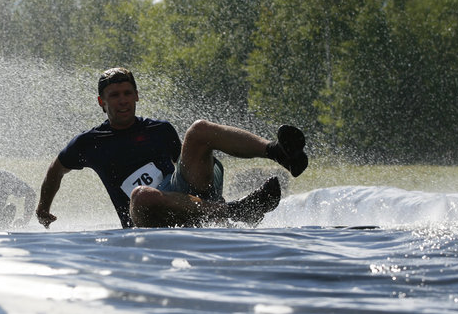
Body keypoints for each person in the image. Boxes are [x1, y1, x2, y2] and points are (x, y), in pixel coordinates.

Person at [36, 67, 308, 229]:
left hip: (190, 198)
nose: (122, 101)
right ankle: (238, 212)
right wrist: (42, 209)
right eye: (114, 96)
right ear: (101, 102)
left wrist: (200, 190)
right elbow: (55, 171)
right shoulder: (89, 142)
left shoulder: (160, 129)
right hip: (144, 217)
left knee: (199, 130)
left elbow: (190, 172)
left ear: (137, 96)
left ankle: (277, 152)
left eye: (128, 93)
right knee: (142, 194)